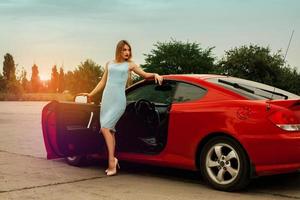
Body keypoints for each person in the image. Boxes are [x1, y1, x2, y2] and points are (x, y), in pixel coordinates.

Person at [80, 40, 163, 176]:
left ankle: (112, 161)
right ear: (119, 50)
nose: (127, 52)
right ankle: (112, 160)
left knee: (105, 128)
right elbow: (102, 82)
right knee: (110, 131)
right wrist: (91, 94)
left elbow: (145, 75)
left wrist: (156, 75)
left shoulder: (130, 65)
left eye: (128, 50)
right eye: (124, 50)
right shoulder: (109, 63)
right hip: (107, 100)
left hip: (118, 101)